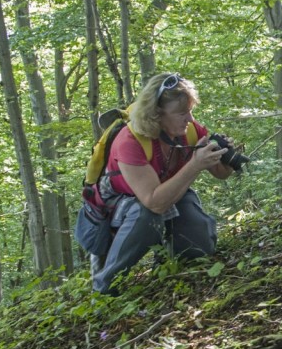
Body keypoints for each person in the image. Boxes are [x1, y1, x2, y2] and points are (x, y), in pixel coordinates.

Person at [91, 73, 236, 294]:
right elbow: (153, 203)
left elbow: (221, 174)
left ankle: (171, 266)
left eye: (190, 111)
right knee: (146, 217)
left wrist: (227, 156)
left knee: (199, 242)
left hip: (169, 189)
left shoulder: (189, 129)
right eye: (181, 113)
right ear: (156, 114)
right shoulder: (130, 141)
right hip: (126, 200)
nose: (189, 119)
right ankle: (105, 287)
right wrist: (195, 165)